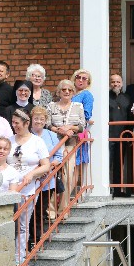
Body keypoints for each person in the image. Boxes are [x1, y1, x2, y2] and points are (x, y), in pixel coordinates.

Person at [8, 109, 50, 265]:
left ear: (26, 123)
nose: (14, 126)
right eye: (13, 122)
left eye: (17, 123)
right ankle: (7, 255)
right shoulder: (9, 140)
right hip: (9, 188)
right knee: (9, 222)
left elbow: (46, 166)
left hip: (27, 189)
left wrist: (32, 174)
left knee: (23, 224)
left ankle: (19, 258)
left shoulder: (37, 141)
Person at [46, 79, 86, 220]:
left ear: (73, 92)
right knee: (51, 176)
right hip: (54, 145)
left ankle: (63, 209)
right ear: (59, 91)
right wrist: (59, 130)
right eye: (64, 90)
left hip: (70, 143)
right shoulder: (51, 106)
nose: (67, 92)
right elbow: (47, 124)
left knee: (67, 176)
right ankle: (50, 210)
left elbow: (82, 125)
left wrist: (70, 128)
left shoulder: (78, 106)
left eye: (69, 90)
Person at [30, 106, 63, 249]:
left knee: (40, 208)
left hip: (47, 179)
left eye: (41, 119)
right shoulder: (27, 135)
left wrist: (48, 166)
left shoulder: (51, 135)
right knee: (29, 209)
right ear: (31, 120)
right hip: (30, 180)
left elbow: (59, 157)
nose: (38, 121)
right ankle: (30, 237)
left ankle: (37, 238)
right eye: (36, 118)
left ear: (45, 121)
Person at [71, 69, 94, 187]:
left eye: (84, 78)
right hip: (64, 132)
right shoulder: (69, 92)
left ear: (88, 82)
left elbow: (86, 115)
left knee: (75, 165)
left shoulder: (86, 95)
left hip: (77, 132)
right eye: (78, 77)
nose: (80, 80)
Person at [109, 73, 131, 197]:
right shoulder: (106, 97)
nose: (115, 84)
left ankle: (117, 190)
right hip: (109, 136)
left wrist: (129, 135)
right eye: (113, 82)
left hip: (122, 136)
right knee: (108, 164)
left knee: (119, 164)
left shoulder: (126, 98)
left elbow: (130, 117)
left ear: (122, 84)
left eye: (118, 82)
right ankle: (107, 190)